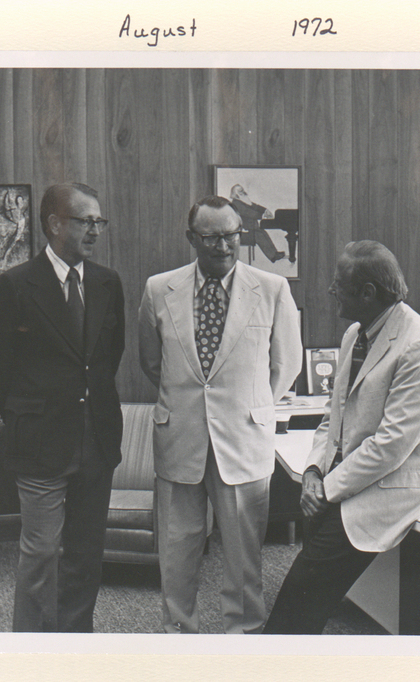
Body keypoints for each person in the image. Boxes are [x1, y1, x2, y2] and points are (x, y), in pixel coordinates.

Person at [263, 240, 420, 634]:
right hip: (347, 479)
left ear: (367, 293)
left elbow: (391, 446)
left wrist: (326, 489)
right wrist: (313, 471)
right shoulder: (356, 334)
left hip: (391, 486)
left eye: (337, 285)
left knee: (296, 602)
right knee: (307, 593)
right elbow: (335, 417)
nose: (331, 291)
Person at [138, 194, 302, 633]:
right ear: (192, 238)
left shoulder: (271, 289)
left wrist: (252, 406)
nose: (222, 245)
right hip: (180, 439)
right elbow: (152, 363)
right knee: (177, 552)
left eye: (230, 235)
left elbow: (287, 364)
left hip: (244, 442)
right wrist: (191, 402)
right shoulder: (159, 289)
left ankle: (243, 638)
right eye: (210, 237)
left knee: (244, 556)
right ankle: (178, 636)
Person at [0, 182, 125, 632]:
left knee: (84, 554)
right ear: (54, 224)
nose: (96, 230)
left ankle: (76, 646)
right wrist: (26, 413)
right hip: (40, 443)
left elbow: (106, 359)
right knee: (40, 553)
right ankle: (32, 654)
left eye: (99, 221)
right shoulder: (16, 285)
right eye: (86, 221)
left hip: (95, 441)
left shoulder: (107, 282)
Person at [228, 184, 286, 264]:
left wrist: (265, 210)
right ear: (235, 194)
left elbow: (255, 206)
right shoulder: (236, 203)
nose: (243, 192)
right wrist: (262, 215)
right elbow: (248, 212)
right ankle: (272, 256)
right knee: (259, 235)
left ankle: (275, 253)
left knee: (262, 232)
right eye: (240, 191)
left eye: (242, 190)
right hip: (241, 234)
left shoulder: (243, 201)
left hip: (249, 230)